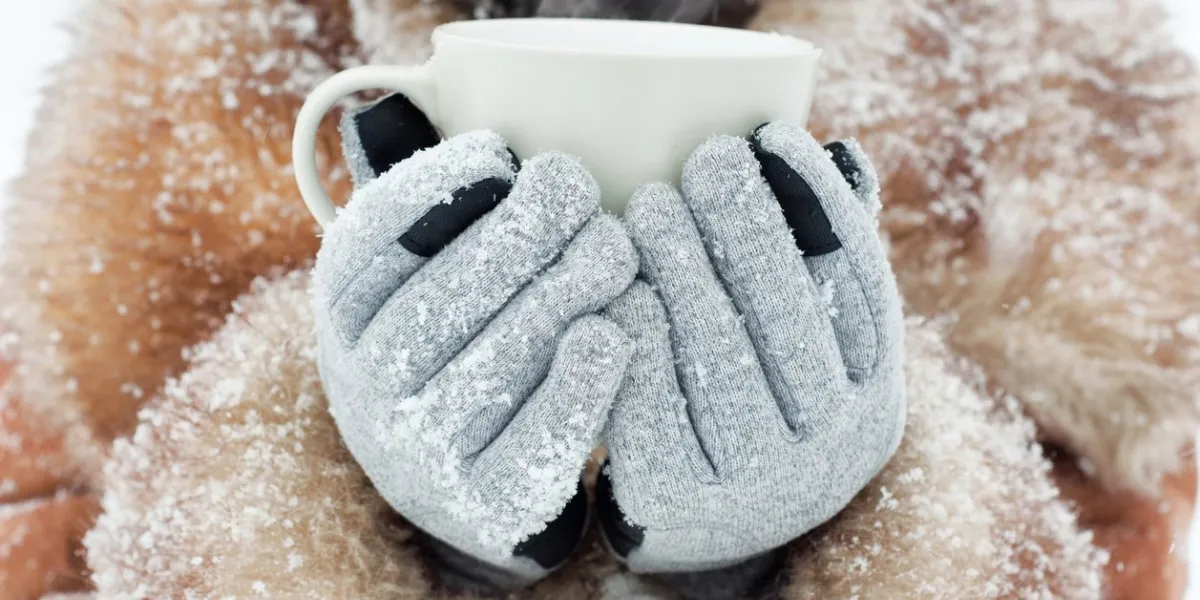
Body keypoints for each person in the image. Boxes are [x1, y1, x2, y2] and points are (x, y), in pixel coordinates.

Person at [0, 0, 1195, 598]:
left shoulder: (1057, 115)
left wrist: (821, 536)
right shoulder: (163, 120)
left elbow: (1132, 556)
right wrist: (344, 495)